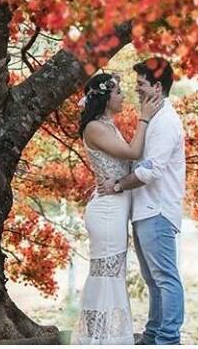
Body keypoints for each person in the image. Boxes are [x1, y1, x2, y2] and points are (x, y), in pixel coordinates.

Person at [96, 57, 186, 345]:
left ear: (157, 87)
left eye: (141, 85)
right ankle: (152, 336)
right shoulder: (155, 119)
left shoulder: (165, 122)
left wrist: (118, 185)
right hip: (145, 210)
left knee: (165, 279)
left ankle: (168, 339)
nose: (136, 91)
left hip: (157, 210)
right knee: (154, 280)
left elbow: (149, 171)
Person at [74, 72, 161, 345]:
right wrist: (145, 117)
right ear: (105, 97)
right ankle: (98, 340)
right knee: (105, 276)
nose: (123, 96)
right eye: (118, 92)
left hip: (115, 207)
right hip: (107, 210)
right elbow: (134, 153)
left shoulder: (108, 125)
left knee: (111, 275)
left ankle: (103, 338)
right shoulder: (95, 128)